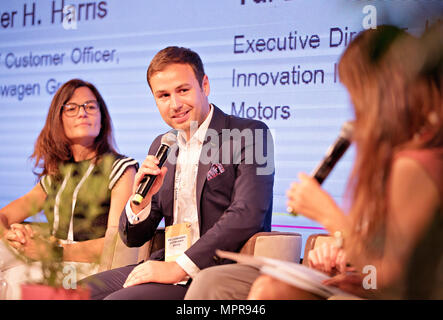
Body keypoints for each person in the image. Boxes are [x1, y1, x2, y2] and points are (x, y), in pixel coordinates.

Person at [185, 24, 443, 300]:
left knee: (271, 292)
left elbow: (398, 280)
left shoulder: (413, 164)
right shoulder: (386, 158)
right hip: (369, 282)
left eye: (357, 95)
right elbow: (375, 259)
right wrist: (342, 253)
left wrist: (327, 213)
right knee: (226, 283)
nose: (355, 109)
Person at [80, 46, 275, 300]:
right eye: (163, 95)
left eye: (183, 90)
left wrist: (178, 267)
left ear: (204, 85)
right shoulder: (163, 145)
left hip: (216, 272)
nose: (175, 104)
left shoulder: (248, 134)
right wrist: (143, 202)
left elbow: (247, 214)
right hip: (166, 266)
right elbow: (133, 238)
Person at [0, 79, 138, 299]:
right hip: (53, 262)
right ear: (58, 119)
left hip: (90, 268)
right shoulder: (55, 176)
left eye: (90, 107)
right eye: (72, 108)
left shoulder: (121, 169)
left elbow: (116, 245)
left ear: (102, 119)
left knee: (17, 282)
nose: (82, 113)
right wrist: (14, 235)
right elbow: (4, 216)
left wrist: (55, 251)